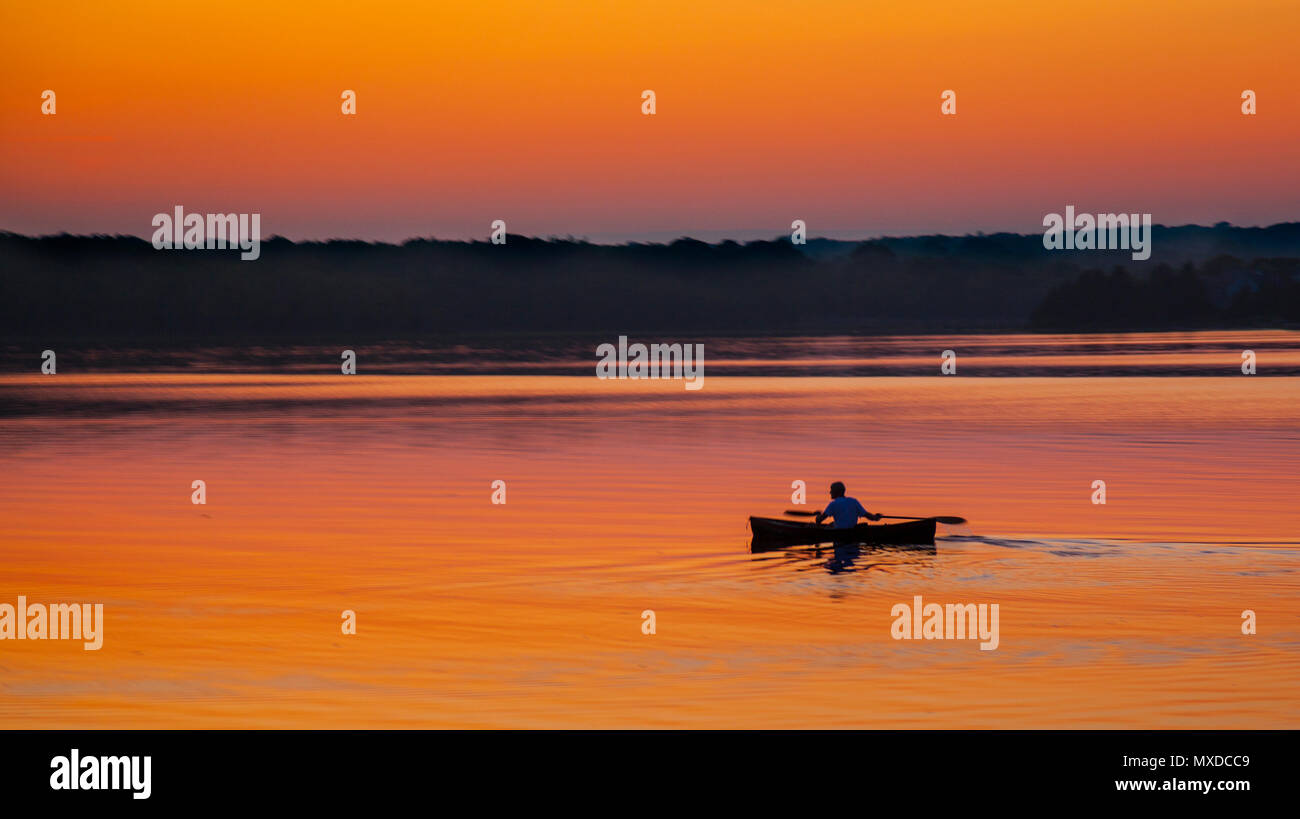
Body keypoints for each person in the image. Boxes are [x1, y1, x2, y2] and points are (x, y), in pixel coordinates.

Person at [815, 481, 882, 528]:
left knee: (831, 526)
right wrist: (876, 517)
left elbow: (819, 520)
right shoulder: (854, 501)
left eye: (831, 490)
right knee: (832, 524)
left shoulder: (833, 504)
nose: (830, 492)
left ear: (837, 492)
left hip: (839, 537)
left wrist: (818, 515)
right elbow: (868, 515)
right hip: (852, 533)